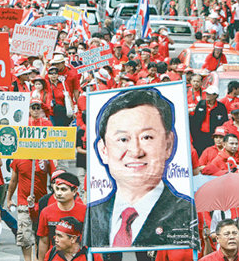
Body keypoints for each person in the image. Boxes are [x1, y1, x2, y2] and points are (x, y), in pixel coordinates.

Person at [89, 88, 198, 248]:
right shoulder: (92, 216)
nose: (136, 151)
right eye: (123, 139)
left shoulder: (187, 214)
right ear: (103, 150)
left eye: (147, 137)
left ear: (168, 144)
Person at [38, 173, 86, 261]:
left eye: (63, 189)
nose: (59, 193)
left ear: (74, 191)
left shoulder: (85, 212)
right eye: (57, 189)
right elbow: (43, 241)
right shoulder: (46, 212)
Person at [191, 85, 229, 156]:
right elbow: (195, 119)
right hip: (200, 135)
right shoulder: (201, 104)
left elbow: (224, 122)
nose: (207, 95)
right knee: (199, 153)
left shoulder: (221, 107)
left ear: (215, 95)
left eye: (209, 94)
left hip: (213, 136)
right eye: (207, 93)